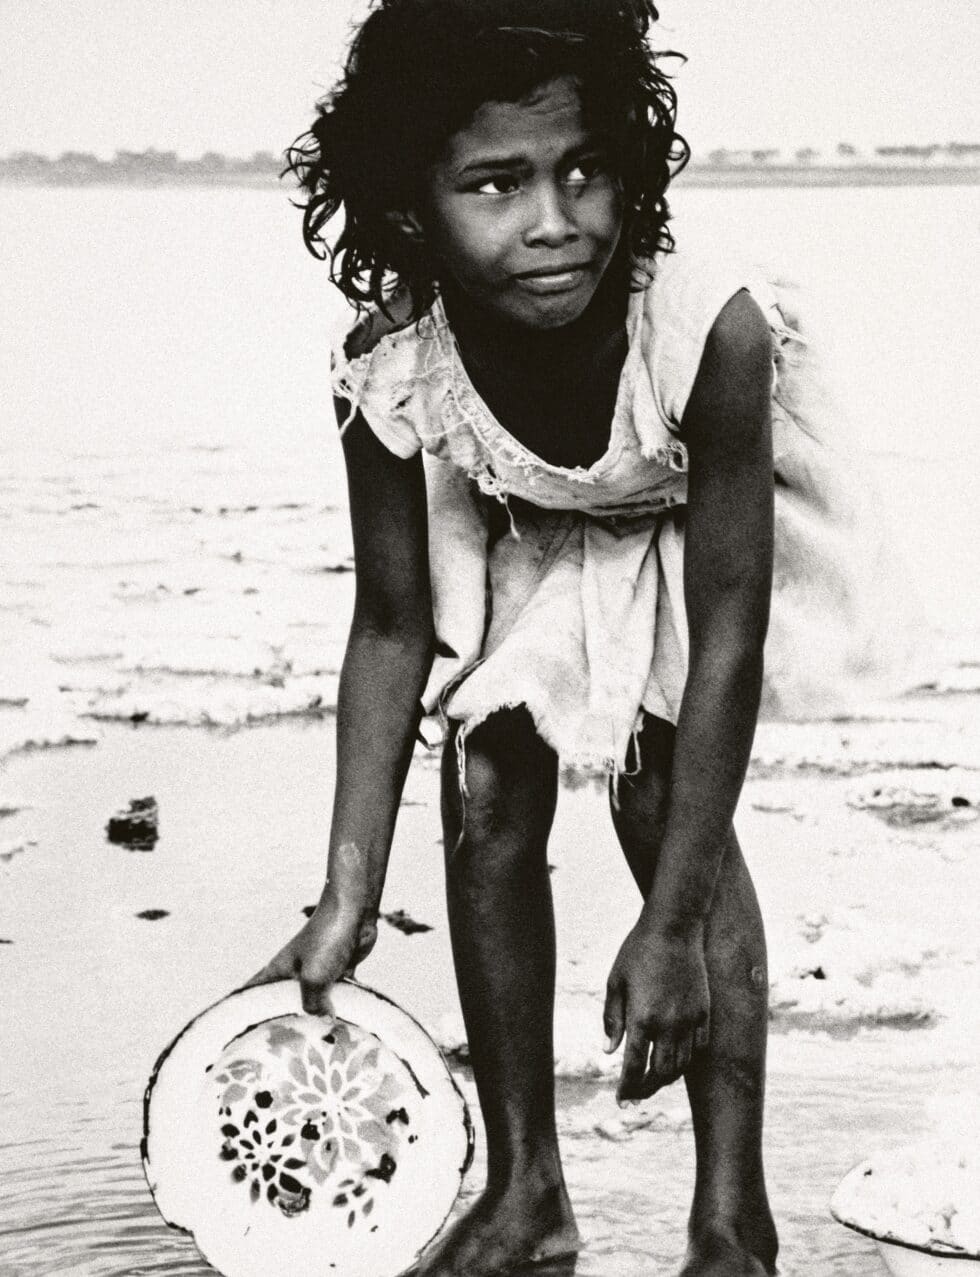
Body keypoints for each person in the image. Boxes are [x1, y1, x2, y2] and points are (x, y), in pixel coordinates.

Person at [247, 2, 910, 1273]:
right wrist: (346, 895)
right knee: (486, 775)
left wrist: (665, 932)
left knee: (664, 796)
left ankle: (730, 1216)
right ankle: (526, 1190)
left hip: (688, 523)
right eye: (494, 183)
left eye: (584, 169)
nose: (553, 221)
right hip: (531, 516)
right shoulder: (391, 358)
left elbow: (723, 638)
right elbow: (390, 627)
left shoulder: (705, 329)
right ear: (408, 207)